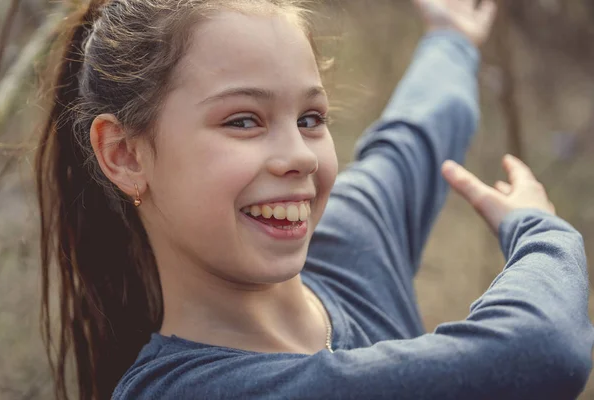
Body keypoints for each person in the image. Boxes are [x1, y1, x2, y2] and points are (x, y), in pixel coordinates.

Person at [35, 0, 593, 399]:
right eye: (244, 120)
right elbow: (540, 352)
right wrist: (541, 232)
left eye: (310, 118)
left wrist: (449, 39)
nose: (299, 155)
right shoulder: (190, 390)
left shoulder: (352, 248)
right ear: (126, 155)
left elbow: (414, 133)